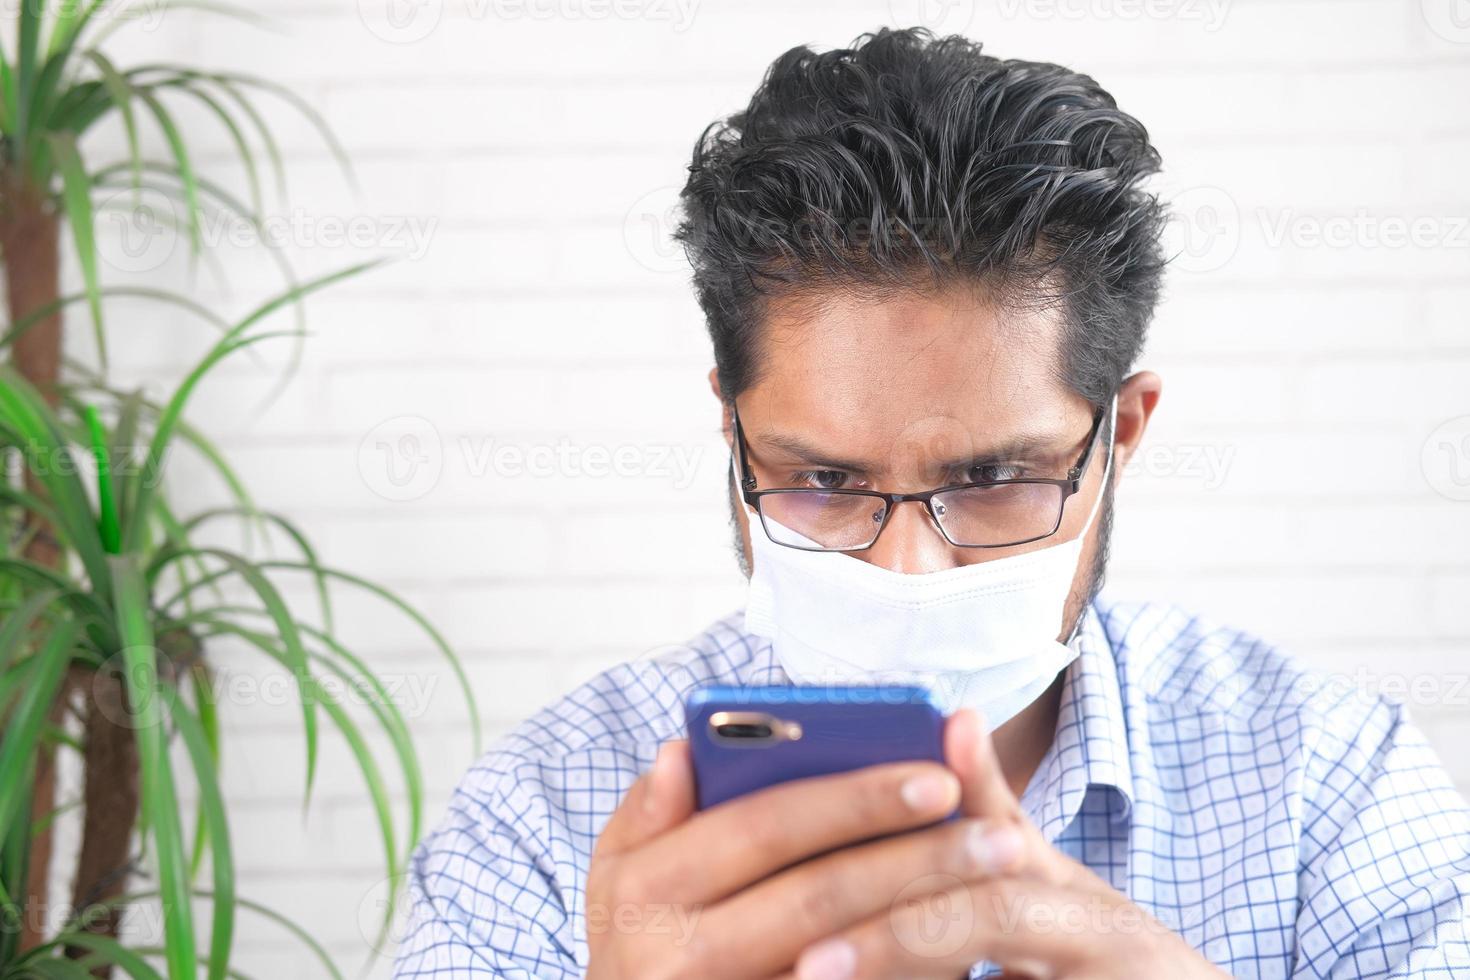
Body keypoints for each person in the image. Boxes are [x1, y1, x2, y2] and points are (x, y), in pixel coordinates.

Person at [393, 27, 1470, 979]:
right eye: (822, 480)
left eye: (993, 480)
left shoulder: (1326, 778)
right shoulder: (546, 817)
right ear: (733, 433)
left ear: (1121, 436)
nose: (904, 573)